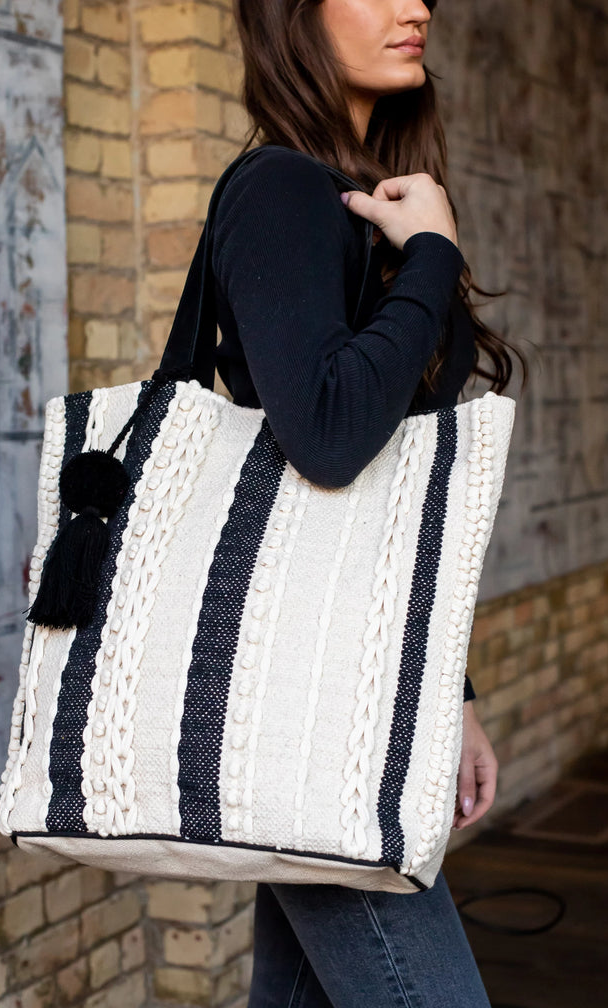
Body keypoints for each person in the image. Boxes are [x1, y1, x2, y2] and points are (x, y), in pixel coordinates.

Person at [209, 2, 528, 1005]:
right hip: (310, 704)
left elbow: (387, 511)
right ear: (292, 16)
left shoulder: (357, 204)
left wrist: (453, 693)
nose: (418, 6)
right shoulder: (279, 192)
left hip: (343, 684)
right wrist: (431, 253)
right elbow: (333, 439)